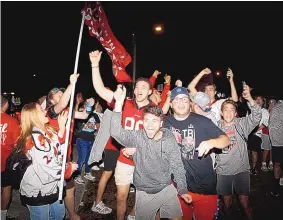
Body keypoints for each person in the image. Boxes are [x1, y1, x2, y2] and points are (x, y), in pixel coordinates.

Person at [89, 50, 155, 219]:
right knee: (121, 196)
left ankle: (133, 214)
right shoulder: (124, 103)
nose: (139, 89)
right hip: (124, 160)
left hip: (144, 160)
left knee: (141, 196)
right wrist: (95, 65)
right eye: (137, 86)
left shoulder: (155, 110)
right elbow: (100, 90)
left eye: (144, 87)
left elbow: (156, 137)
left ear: (149, 91)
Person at [109, 85, 191, 220]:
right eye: (146, 120)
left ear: (161, 124)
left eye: (154, 121)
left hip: (166, 187)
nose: (150, 125)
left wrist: (182, 189)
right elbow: (116, 132)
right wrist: (118, 103)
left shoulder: (168, 137)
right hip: (146, 192)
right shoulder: (138, 136)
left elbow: (177, 164)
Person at [163, 86, 230, 220]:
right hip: (177, 187)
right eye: (176, 100)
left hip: (204, 187)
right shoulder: (165, 123)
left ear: (190, 102)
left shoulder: (202, 121)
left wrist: (212, 142)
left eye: (184, 99)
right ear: (171, 104)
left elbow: (225, 140)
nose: (181, 103)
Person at [18, 102, 78, 220]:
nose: (45, 111)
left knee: (59, 215)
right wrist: (68, 168)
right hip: (37, 191)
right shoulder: (35, 139)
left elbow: (59, 150)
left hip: (52, 186)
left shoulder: (47, 131)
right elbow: (49, 165)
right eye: (41, 110)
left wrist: (61, 127)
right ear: (34, 116)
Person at [216, 84, 262, 219]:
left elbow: (257, 116)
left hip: (241, 170)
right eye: (225, 110)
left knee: (245, 203)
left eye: (232, 110)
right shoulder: (215, 127)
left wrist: (250, 99)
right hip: (223, 172)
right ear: (221, 113)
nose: (229, 113)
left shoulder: (242, 124)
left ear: (235, 113)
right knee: (228, 204)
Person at [1, 95, 20, 220]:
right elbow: (17, 145)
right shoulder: (12, 121)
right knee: (6, 189)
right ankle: (2, 214)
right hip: (5, 163)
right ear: (6, 104)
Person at [269, 99, 283, 196]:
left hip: (278, 141)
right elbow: (272, 126)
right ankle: (276, 186)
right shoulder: (277, 107)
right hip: (279, 141)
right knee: (277, 164)